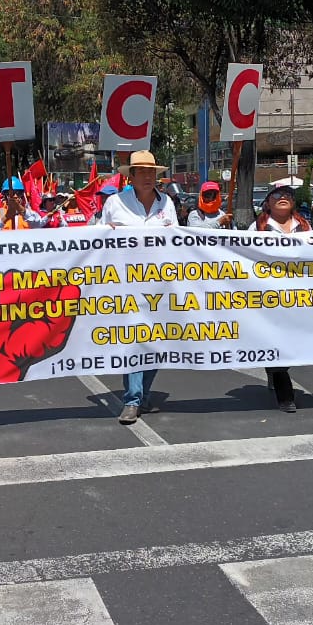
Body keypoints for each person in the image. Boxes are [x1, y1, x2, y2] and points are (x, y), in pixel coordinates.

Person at [101, 150, 179, 424]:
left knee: (155, 341)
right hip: (126, 285)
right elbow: (96, 241)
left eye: (152, 172)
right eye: (142, 172)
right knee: (135, 340)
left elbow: (178, 241)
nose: (148, 177)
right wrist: (105, 232)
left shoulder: (166, 203)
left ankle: (143, 393)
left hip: (160, 284)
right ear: (130, 177)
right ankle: (132, 399)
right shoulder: (114, 203)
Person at [250, 185, 310, 412]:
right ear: (268, 203)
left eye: (288, 195)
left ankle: (273, 370)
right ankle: (285, 394)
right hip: (267, 292)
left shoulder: (305, 227)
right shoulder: (257, 228)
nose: (283, 198)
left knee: (291, 339)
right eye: (277, 195)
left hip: (297, 292)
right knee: (273, 338)